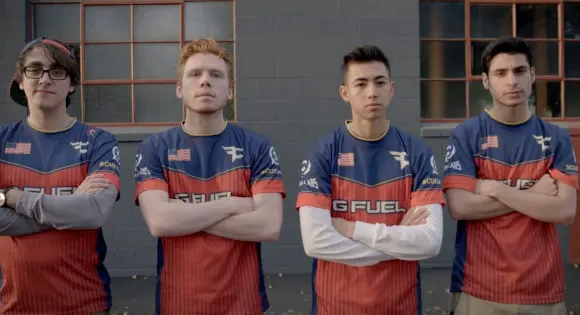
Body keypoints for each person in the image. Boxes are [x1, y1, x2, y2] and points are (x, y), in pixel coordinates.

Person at [134, 38, 285, 315]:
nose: (205, 82)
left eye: (216, 75)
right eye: (195, 74)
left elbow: (268, 226)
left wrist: (182, 213)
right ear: (179, 88)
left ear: (229, 90)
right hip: (177, 304)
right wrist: (233, 204)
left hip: (243, 304)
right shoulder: (154, 148)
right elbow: (159, 222)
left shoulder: (257, 147)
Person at [296, 45, 445, 315]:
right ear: (345, 93)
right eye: (361, 84)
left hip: (401, 306)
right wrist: (400, 242)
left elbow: (430, 242)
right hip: (335, 307)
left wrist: (353, 230)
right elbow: (315, 242)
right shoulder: (323, 153)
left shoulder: (417, 153)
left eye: (379, 82)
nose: (371, 92)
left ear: (391, 88)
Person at [0, 37, 121, 315]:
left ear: (71, 84)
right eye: (34, 69)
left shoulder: (98, 141)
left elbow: (93, 213)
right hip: (13, 306)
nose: (45, 79)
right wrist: (67, 211)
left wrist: (13, 197)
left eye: (57, 71)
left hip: (86, 305)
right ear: (20, 80)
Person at [443, 36, 577, 315]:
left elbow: (565, 210)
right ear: (485, 81)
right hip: (479, 290)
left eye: (519, 71)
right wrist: (534, 195)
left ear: (533, 76)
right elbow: (460, 207)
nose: (511, 81)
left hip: (544, 293)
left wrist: (495, 189)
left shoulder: (556, 138)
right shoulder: (466, 135)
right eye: (500, 73)